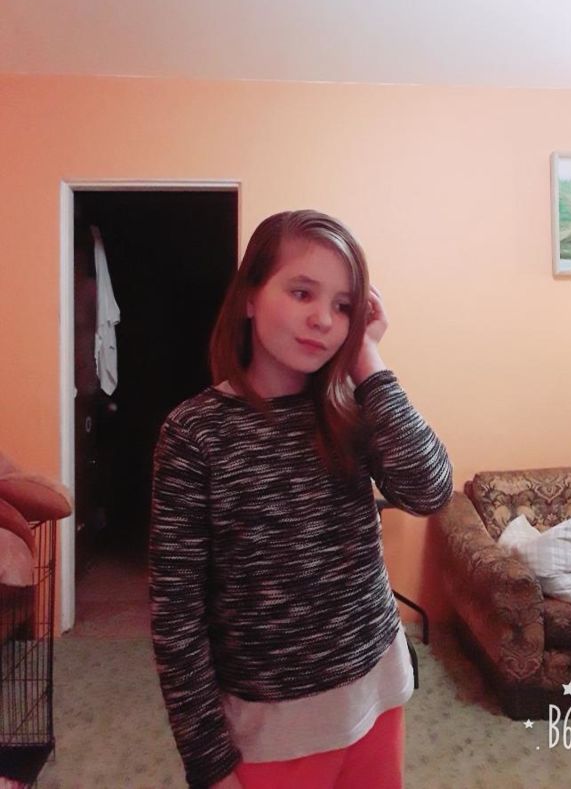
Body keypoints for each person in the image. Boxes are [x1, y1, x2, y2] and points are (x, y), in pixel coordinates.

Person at [149, 209, 453, 789]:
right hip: (273, 730)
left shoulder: (354, 407)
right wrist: (208, 762)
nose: (323, 319)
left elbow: (430, 489)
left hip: (378, 691)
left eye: (344, 306)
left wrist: (368, 359)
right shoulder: (195, 433)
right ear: (249, 297)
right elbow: (176, 614)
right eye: (301, 292)